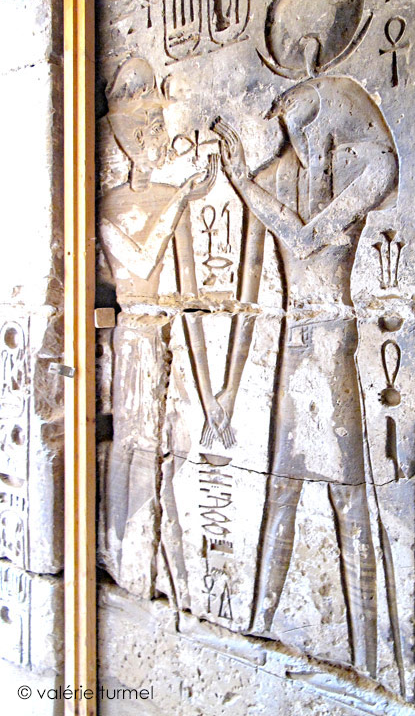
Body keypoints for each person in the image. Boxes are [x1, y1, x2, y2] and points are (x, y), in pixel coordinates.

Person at [212, 50, 398, 674]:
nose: (295, 142)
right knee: (281, 490)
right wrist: (246, 178)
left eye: (299, 122)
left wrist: (242, 182)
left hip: (329, 347)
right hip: (297, 350)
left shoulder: (360, 179)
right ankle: (262, 622)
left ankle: (368, 653)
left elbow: (302, 235)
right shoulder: (290, 177)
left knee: (349, 500)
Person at [99, 58, 233, 599]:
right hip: (134, 340)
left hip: (160, 337)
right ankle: (126, 558)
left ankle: (165, 566)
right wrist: (180, 197)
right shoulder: (111, 203)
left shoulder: (166, 197)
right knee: (134, 447)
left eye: (160, 125)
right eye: (152, 127)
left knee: (162, 449)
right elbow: (139, 259)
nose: (161, 136)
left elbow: (187, 282)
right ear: (131, 138)